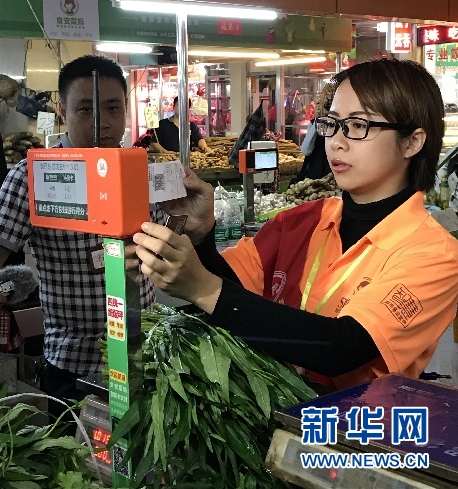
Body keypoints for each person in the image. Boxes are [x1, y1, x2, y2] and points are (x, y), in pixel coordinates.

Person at [133, 58, 458, 393]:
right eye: (332, 123)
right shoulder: (301, 221)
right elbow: (235, 289)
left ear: (412, 142)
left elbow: (343, 346)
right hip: (274, 419)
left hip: (358, 424)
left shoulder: (434, 255)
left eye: (358, 125)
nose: (336, 141)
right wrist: (202, 236)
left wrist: (204, 289)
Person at [0, 55, 166, 421]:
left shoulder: (142, 172)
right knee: (79, 454)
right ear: (63, 111)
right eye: (86, 109)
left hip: (147, 358)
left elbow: (168, 249)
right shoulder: (32, 177)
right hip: (73, 366)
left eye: (112, 108)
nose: (102, 123)